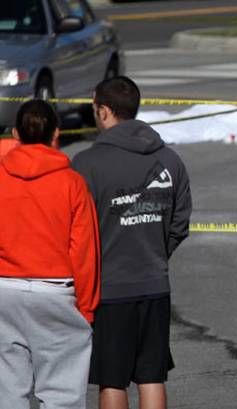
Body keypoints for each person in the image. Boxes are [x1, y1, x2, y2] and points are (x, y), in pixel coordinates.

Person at [72, 76, 192, 409]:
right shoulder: (169, 159)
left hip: (109, 288)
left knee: (112, 379)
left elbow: (75, 228)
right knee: (152, 375)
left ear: (104, 111)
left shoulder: (86, 164)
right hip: (155, 283)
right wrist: (156, 252)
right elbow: (180, 222)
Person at [0, 99, 100, 408]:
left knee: (7, 391)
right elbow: (84, 250)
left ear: (16, 134)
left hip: (4, 289)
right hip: (55, 291)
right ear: (56, 133)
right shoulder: (72, 183)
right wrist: (87, 308)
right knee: (62, 392)